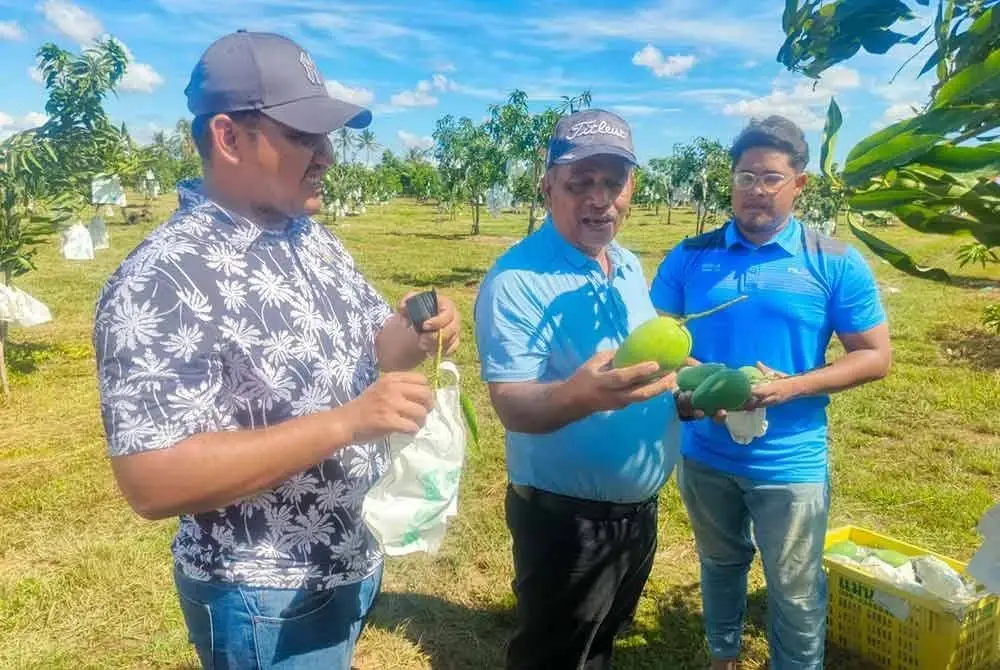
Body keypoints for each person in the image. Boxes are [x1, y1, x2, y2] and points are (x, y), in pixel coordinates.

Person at [93, 30, 461, 669]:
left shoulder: (308, 238)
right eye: (301, 136)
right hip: (262, 591)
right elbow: (151, 480)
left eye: (325, 137)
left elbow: (379, 344)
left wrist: (415, 328)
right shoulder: (164, 279)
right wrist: (347, 423)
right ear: (229, 137)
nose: (326, 156)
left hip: (344, 563)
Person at [650, 115, 892, 670]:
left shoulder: (832, 261)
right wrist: (705, 378)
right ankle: (723, 655)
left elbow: (875, 356)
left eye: (771, 178)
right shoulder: (690, 256)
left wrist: (792, 387)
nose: (756, 190)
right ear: (730, 181)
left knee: (796, 587)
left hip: (791, 459)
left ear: (799, 184)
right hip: (706, 452)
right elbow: (657, 339)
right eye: (744, 177)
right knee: (719, 561)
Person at [474, 108, 683, 670]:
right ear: (547, 187)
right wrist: (582, 395)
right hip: (570, 522)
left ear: (632, 186)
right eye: (580, 183)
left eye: (613, 182)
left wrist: (693, 389)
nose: (600, 199)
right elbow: (511, 405)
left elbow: (645, 364)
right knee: (555, 656)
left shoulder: (630, 265)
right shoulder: (517, 281)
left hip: (637, 512)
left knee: (600, 644)